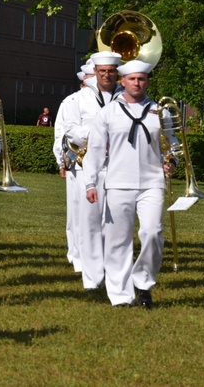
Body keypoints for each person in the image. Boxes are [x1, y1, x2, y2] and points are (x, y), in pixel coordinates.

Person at [83, 59, 175, 308]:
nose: (137, 83)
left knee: (153, 232)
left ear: (147, 81)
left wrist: (172, 161)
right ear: (122, 81)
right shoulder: (108, 113)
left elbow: (172, 143)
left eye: (142, 79)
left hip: (152, 182)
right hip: (118, 183)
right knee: (118, 241)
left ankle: (143, 282)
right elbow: (95, 151)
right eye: (132, 79)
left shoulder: (159, 111)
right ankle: (121, 295)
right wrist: (90, 183)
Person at [60, 51, 123, 291]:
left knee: (116, 221)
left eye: (111, 71)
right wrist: (99, 138)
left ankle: (111, 269)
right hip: (88, 166)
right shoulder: (78, 99)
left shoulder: (125, 97)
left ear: (117, 73)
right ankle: (91, 276)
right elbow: (71, 129)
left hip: (119, 166)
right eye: (102, 71)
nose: (107, 75)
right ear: (94, 73)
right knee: (89, 221)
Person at [52, 62, 95, 275]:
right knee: (76, 210)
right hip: (76, 161)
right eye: (90, 76)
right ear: (83, 80)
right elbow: (61, 132)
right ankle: (75, 253)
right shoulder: (71, 101)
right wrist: (62, 161)